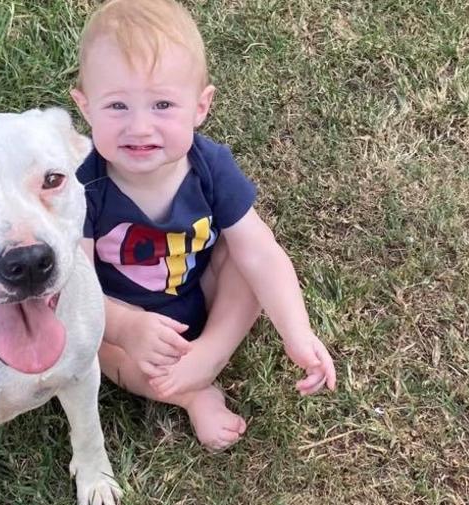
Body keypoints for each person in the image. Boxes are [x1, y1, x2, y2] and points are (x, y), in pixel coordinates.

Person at [71, 0, 336, 450]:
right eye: (117, 105)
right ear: (85, 107)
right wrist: (122, 326)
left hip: (202, 292)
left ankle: (211, 352)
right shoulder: (83, 182)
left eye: (162, 104)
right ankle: (193, 395)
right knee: (90, 348)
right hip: (125, 321)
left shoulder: (210, 166)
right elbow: (73, 283)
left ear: (200, 106)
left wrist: (297, 332)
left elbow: (262, 254)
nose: (139, 126)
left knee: (245, 256)